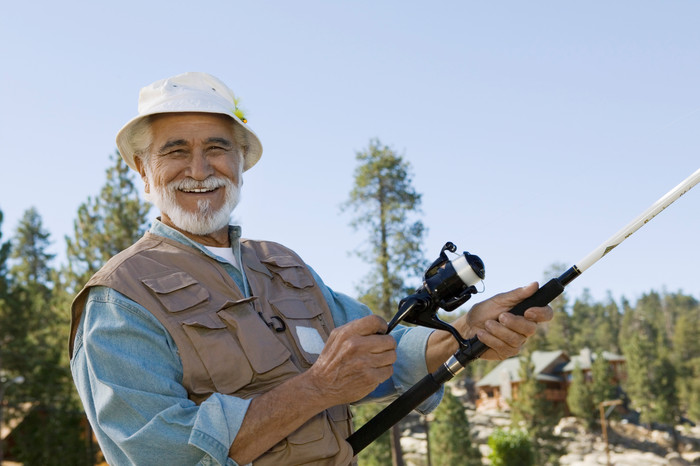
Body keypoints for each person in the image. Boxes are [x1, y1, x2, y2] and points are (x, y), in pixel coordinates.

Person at [69, 72, 553, 466]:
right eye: (175, 151)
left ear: (241, 163)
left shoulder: (283, 265)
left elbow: (382, 351)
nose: (199, 169)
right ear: (141, 168)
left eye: (217, 148)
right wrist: (317, 388)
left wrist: (466, 331)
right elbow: (161, 454)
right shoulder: (119, 298)